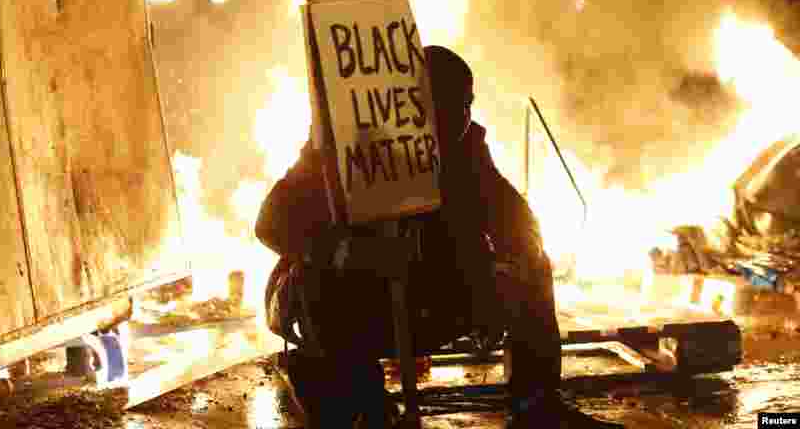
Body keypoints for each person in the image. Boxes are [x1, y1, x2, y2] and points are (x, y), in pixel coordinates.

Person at [257, 45, 623, 428]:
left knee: (532, 267)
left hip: (425, 299)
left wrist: (509, 261)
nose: (462, 118)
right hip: (345, 307)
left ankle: (536, 407)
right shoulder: (339, 148)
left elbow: (514, 217)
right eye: (449, 107)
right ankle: (364, 406)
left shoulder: (465, 150)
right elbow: (270, 223)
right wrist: (345, 252)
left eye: (467, 106)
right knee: (320, 288)